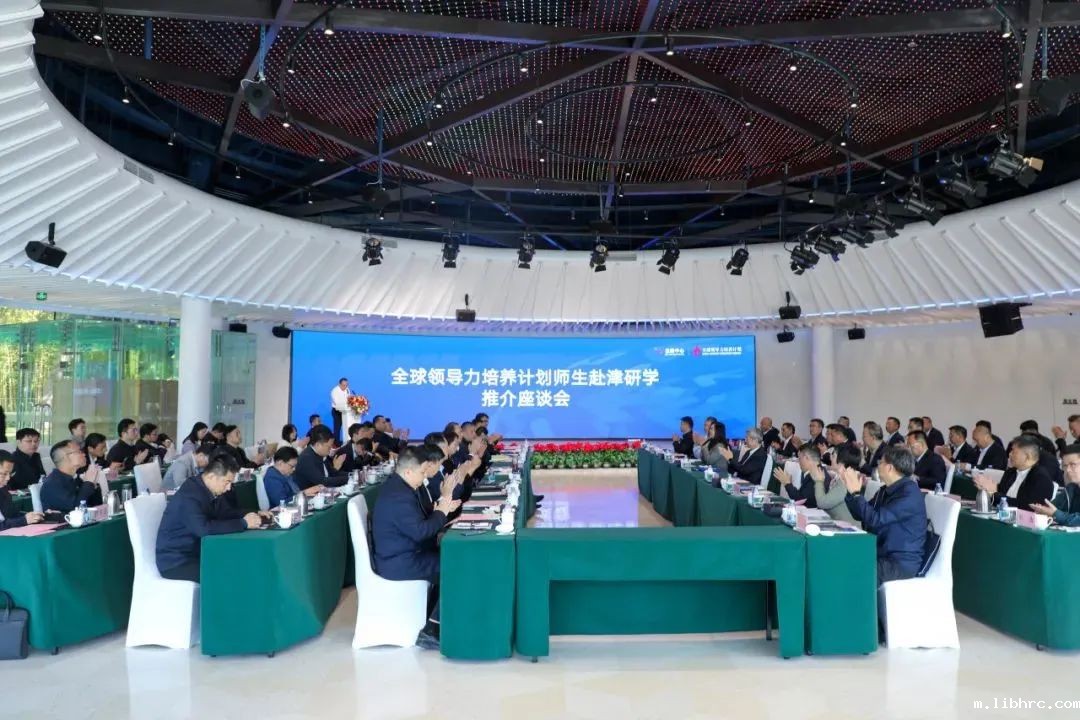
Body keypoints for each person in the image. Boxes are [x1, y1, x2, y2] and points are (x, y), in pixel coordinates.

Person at [371, 447, 461, 650]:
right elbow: (421, 532)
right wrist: (442, 513)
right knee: (455, 565)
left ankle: (434, 616)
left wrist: (443, 508)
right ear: (408, 471)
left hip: (405, 554)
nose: (424, 477)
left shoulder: (399, 487)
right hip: (400, 562)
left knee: (450, 558)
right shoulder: (399, 496)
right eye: (422, 472)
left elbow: (418, 521)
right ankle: (432, 630)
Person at [155, 452, 263, 583]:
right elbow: (204, 529)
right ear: (212, 476)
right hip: (176, 561)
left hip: (198, 553)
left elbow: (225, 513)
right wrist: (243, 523)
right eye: (227, 482)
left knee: (240, 561)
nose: (229, 488)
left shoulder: (209, 489)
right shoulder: (190, 495)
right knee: (227, 574)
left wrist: (253, 513)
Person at [842, 445, 928, 585]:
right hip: (882, 553)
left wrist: (856, 494)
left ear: (889, 468)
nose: (878, 465)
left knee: (857, 572)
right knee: (841, 557)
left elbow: (875, 520)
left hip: (900, 561)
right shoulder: (886, 490)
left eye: (880, 462)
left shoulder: (909, 494)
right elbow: (861, 515)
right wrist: (851, 492)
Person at [975, 435, 1056, 512]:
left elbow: (1026, 507)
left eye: (1013, 452)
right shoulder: (1010, 472)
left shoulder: (1041, 478)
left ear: (1028, 456)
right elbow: (998, 498)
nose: (1009, 454)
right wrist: (987, 489)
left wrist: (993, 493)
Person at [41, 440, 101, 512]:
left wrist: (93, 484)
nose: (84, 454)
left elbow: (96, 505)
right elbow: (75, 509)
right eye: (79, 451)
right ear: (65, 457)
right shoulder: (52, 484)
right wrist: (88, 482)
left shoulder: (74, 479)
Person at [1032, 444, 1080, 526]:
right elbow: (1053, 507)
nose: (1067, 470)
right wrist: (1043, 510)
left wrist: (1055, 513)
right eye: (1065, 466)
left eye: (1072, 464)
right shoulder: (1070, 489)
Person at [0, 450, 43, 529]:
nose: (8, 478)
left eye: (10, 473)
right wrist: (23, 520)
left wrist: (34, 515)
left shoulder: (3, 489)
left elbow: (11, 514)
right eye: (4, 474)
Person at [295, 425, 348, 489]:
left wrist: (352, 475)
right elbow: (323, 482)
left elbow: (333, 473)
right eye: (329, 447)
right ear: (318, 445)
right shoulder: (306, 458)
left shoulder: (320, 454)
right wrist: (348, 479)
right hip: (312, 494)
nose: (330, 449)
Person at [330, 377, 350, 443]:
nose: (345, 387)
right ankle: (336, 442)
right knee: (337, 428)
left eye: (346, 385)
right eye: (343, 385)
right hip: (337, 411)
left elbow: (349, 399)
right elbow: (337, 402)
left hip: (345, 411)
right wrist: (346, 403)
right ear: (339, 384)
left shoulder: (347, 390)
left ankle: (346, 441)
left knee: (346, 426)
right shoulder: (334, 391)